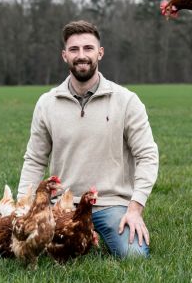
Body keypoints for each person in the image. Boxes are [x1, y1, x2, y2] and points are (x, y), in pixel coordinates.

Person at [17, 20, 159, 258]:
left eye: (88, 48)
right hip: (60, 205)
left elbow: (147, 155)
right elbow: (34, 160)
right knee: (22, 252)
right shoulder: (46, 104)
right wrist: (22, 208)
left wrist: (135, 208)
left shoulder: (127, 101)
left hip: (111, 203)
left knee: (134, 256)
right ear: (64, 56)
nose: (81, 55)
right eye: (74, 50)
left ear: (100, 53)